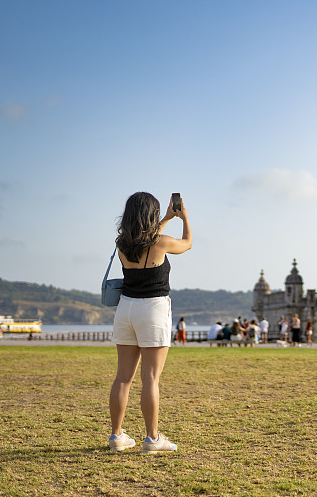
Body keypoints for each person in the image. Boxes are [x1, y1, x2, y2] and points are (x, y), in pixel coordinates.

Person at [109, 192, 191, 454]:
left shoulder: (121, 244)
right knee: (151, 379)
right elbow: (187, 243)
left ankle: (116, 436)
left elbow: (143, 239)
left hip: (126, 309)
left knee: (123, 378)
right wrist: (183, 217)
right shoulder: (161, 243)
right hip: (153, 309)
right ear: (151, 215)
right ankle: (152, 439)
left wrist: (166, 218)